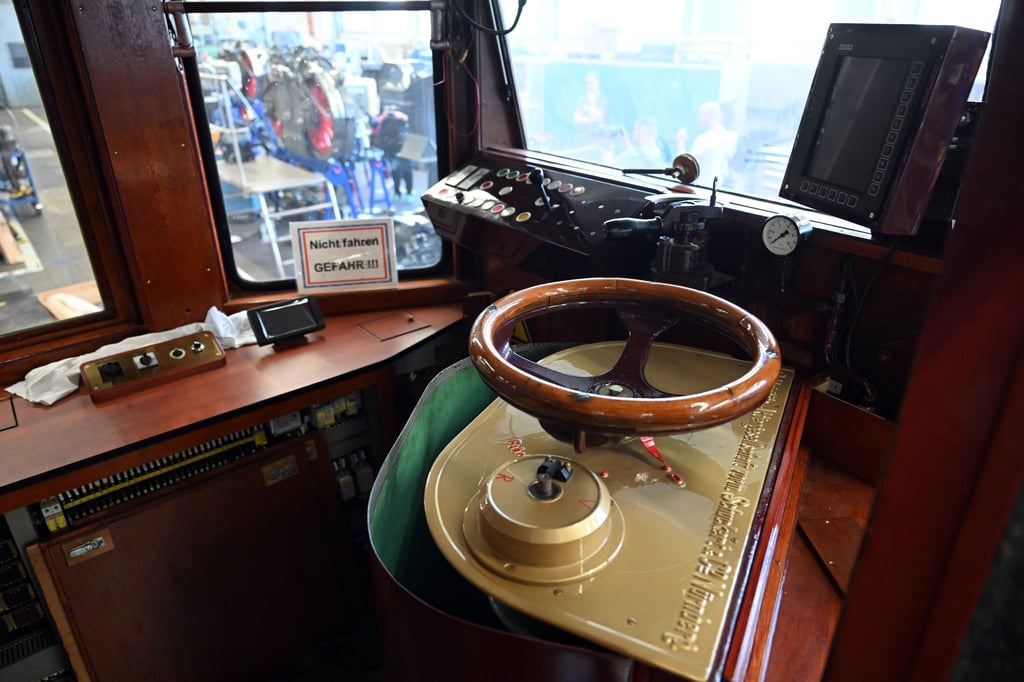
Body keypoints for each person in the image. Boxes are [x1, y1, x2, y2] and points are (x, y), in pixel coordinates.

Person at [688, 101, 737, 186]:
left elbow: (688, 166)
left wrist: (680, 144)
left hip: (701, 187)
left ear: (709, 116)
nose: (698, 118)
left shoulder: (705, 138)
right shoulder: (729, 137)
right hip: (717, 186)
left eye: (701, 114)